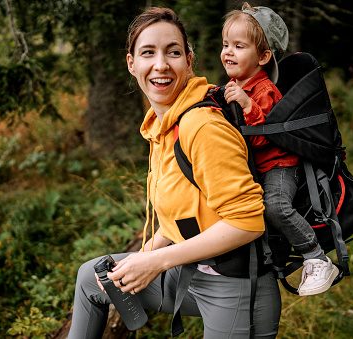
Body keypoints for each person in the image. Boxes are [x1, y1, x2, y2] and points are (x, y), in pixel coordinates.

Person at [67, 7, 281, 339]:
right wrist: (140, 259)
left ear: (189, 61)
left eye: (174, 52)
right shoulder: (163, 124)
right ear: (131, 64)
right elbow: (178, 214)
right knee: (90, 279)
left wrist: (155, 263)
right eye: (148, 53)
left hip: (237, 285)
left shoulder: (203, 126)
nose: (161, 64)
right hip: (192, 272)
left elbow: (247, 222)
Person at [220, 3, 339, 296]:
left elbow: (265, 138)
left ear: (263, 56)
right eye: (225, 45)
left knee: (275, 205)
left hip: (279, 164)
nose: (228, 52)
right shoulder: (236, 83)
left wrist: (247, 106)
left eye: (239, 46)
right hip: (256, 165)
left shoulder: (264, 91)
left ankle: (316, 256)